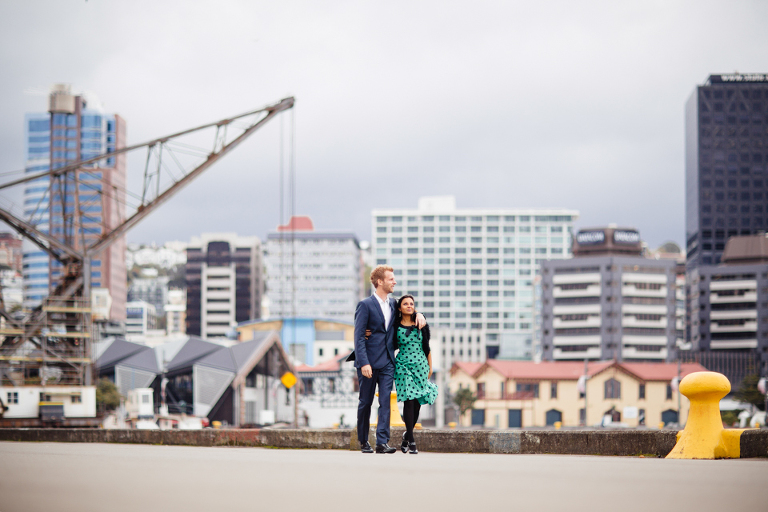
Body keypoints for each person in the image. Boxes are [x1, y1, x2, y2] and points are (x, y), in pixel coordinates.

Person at [353, 265, 425, 454]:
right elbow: (359, 336)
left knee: (385, 401)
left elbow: (408, 312)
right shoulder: (365, 305)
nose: (394, 282)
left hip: (387, 362)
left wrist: (420, 315)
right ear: (380, 282)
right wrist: (364, 363)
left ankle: (382, 442)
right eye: (391, 279)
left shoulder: (394, 304)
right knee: (366, 402)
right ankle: (363, 441)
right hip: (368, 362)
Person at [393, 294, 437, 454]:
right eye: (405, 304)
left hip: (421, 366)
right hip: (403, 366)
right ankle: (412, 441)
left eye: (411, 303)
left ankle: (406, 435)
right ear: (400, 308)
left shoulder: (421, 323)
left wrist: (430, 367)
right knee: (409, 400)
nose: (409, 306)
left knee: (417, 402)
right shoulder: (395, 325)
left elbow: (427, 347)